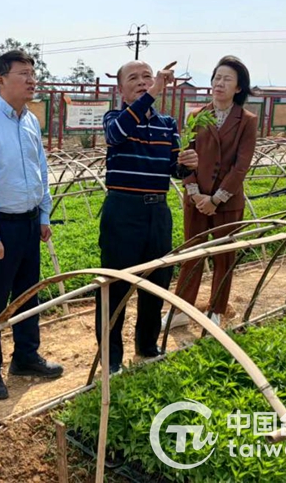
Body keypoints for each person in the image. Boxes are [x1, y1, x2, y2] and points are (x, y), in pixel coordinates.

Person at [0, 49, 63, 401]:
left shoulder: (30, 121)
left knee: (27, 293)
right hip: (0, 226)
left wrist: (44, 215)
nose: (31, 80)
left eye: (33, 74)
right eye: (24, 74)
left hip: (29, 222)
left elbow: (41, 170)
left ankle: (25, 356)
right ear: (1, 80)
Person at [97, 60, 198, 374]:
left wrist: (188, 164)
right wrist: (153, 93)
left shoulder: (167, 124)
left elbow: (174, 169)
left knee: (156, 281)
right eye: (134, 78)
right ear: (121, 88)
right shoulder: (114, 119)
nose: (142, 82)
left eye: (147, 77)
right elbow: (116, 135)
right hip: (122, 211)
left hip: (158, 211)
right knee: (115, 285)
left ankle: (147, 345)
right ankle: (111, 358)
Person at [169, 56, 258, 328]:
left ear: (238, 87)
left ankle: (216, 310)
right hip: (196, 199)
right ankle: (180, 311)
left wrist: (216, 199)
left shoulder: (247, 121)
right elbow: (185, 155)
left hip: (226, 201)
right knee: (191, 254)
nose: (219, 83)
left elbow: (241, 166)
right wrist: (196, 194)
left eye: (227, 79)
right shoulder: (196, 116)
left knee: (223, 256)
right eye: (217, 78)